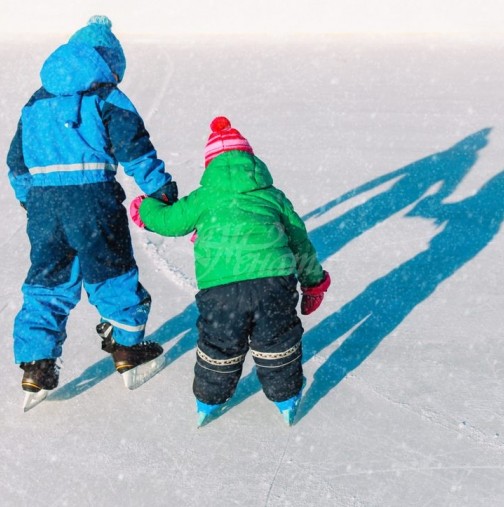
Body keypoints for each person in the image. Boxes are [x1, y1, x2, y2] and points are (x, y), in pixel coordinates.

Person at [7, 15, 178, 407]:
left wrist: (28, 197)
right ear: (108, 62)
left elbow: (16, 162)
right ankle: (126, 347)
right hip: (95, 201)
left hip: (45, 208)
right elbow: (135, 150)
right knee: (112, 271)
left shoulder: (35, 102)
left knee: (47, 282)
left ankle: (36, 363)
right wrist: (160, 189)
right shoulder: (106, 97)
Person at [131, 116, 330, 425]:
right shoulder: (272, 195)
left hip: (220, 290)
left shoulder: (204, 197)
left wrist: (146, 208)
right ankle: (286, 397)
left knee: (220, 344)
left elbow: (170, 222)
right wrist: (313, 282)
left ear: (210, 165)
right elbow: (300, 242)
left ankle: (208, 402)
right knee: (276, 340)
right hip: (274, 282)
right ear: (251, 161)